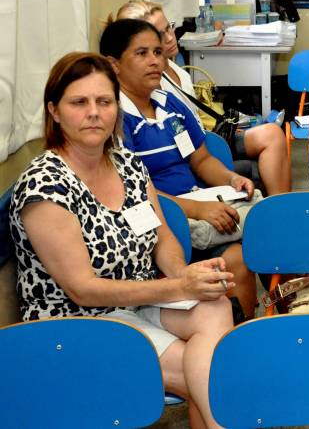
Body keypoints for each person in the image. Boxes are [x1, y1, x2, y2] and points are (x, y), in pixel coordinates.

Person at [10, 52, 234, 429]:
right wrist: (177, 287)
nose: (94, 112)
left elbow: (162, 238)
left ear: (117, 107)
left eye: (104, 101)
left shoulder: (128, 163)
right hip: (74, 321)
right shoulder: (45, 184)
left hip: (137, 301)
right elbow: (83, 290)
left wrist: (186, 279)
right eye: (79, 102)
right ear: (55, 111)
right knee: (212, 372)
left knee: (212, 307)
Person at [101, 19, 257, 320]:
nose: (155, 61)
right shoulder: (115, 116)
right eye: (142, 53)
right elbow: (131, 191)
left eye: (158, 52)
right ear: (114, 64)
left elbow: (201, 160)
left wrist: (231, 178)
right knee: (237, 258)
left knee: (257, 241)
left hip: (203, 202)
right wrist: (198, 210)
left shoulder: (169, 101)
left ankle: (273, 324)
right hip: (166, 219)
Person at [114, 0, 291, 196]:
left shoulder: (174, 70)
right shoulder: (149, 88)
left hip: (200, 137)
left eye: (169, 28)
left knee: (272, 133)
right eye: (160, 35)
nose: (171, 38)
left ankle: (279, 206)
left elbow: (193, 137)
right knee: (271, 136)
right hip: (202, 142)